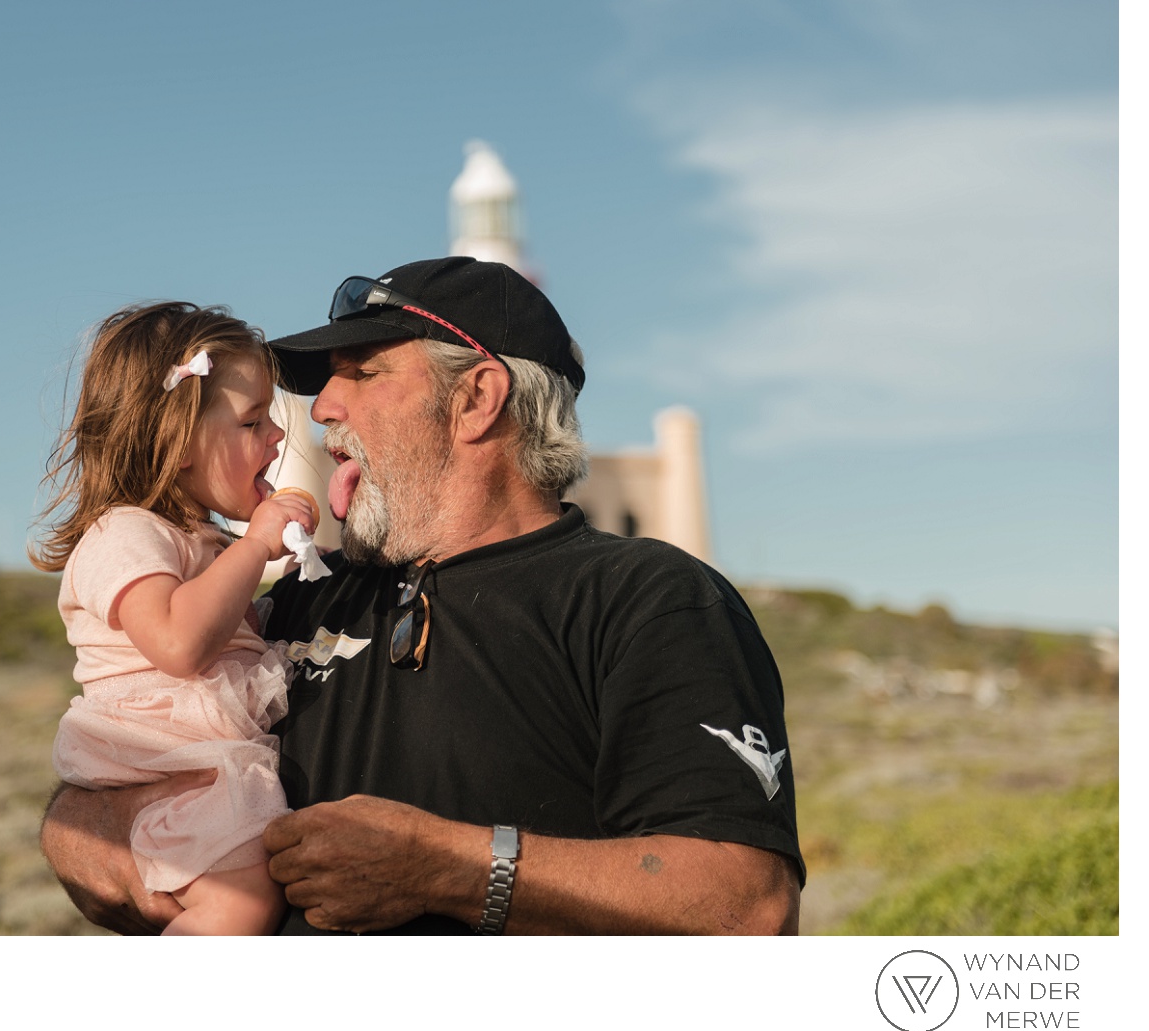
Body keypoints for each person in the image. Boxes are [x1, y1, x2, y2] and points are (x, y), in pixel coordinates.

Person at [41, 259, 804, 935]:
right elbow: (118, 787)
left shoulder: (645, 599)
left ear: (477, 398)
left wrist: (448, 868)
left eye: (361, 373)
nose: (320, 410)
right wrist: (80, 825)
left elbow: (747, 905)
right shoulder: (294, 602)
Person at [31, 301, 318, 935]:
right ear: (176, 442)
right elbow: (179, 642)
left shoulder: (204, 543)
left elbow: (232, 637)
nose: (277, 437)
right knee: (242, 899)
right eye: (251, 422)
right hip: (159, 760)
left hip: (197, 761)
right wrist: (254, 548)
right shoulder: (126, 533)